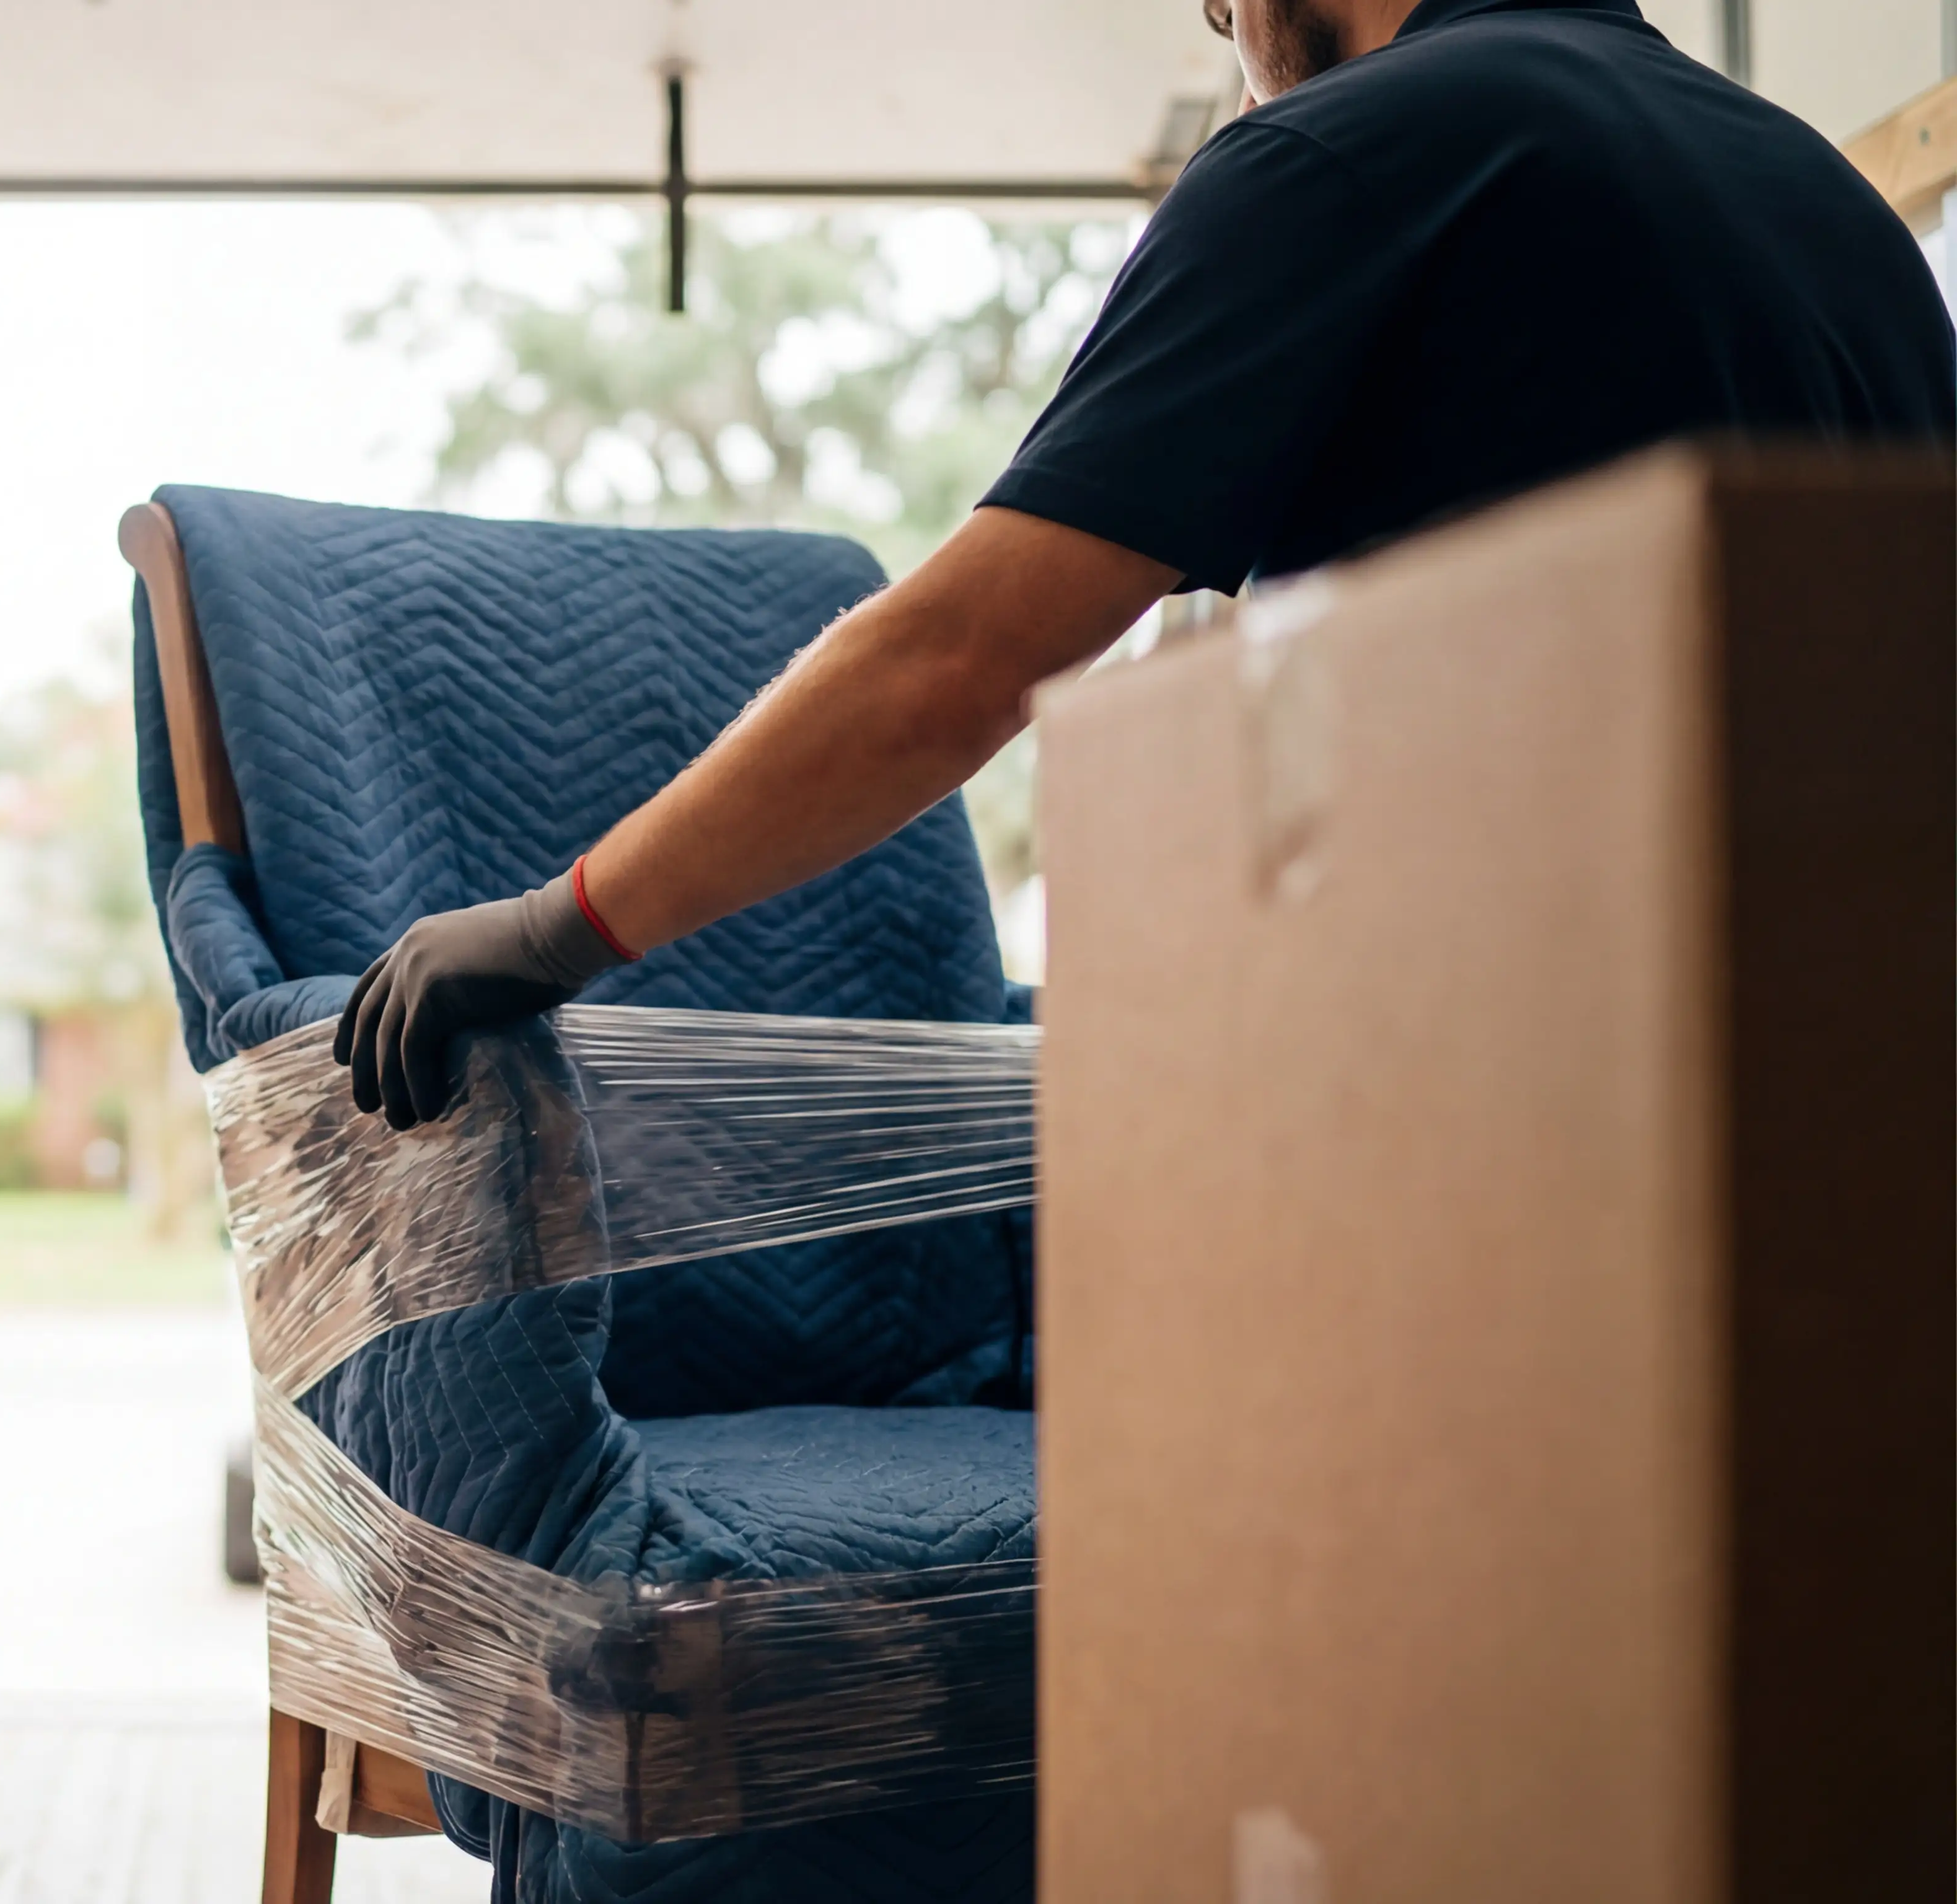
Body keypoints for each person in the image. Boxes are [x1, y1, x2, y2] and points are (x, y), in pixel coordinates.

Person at [336, 0, 1957, 1127]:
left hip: (1536, 1105)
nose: (1238, 49)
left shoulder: (1346, 154)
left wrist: (557, 928)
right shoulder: (1827, 203)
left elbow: (964, 660)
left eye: (1217, 10)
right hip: (1864, 1123)